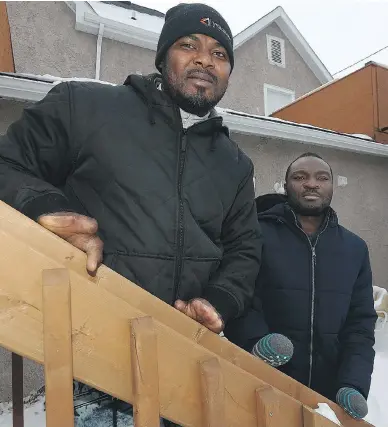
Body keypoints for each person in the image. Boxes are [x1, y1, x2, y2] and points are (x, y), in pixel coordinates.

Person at [0, 3, 261, 426]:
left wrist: (218, 301)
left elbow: (244, 249)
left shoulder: (234, 163)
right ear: (162, 56)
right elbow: (8, 163)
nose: (203, 59)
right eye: (188, 44)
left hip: (185, 363)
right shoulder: (85, 107)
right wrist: (45, 209)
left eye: (219, 53)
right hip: (90, 360)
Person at [225, 153, 377, 420]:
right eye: (299, 177)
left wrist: (353, 383)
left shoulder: (354, 249)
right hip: (261, 382)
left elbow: (360, 324)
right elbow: (238, 293)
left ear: (332, 186)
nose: (311, 184)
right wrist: (255, 341)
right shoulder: (255, 234)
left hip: (325, 400)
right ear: (286, 187)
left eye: (322, 177)